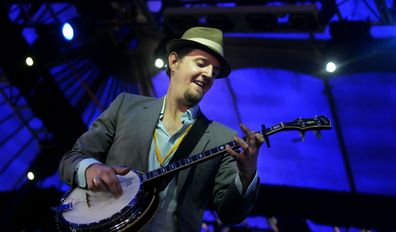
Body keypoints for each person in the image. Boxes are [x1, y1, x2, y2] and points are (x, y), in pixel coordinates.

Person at [58, 26, 264, 231]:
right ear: (174, 61)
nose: (209, 74)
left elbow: (231, 214)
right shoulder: (125, 106)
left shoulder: (223, 138)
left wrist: (247, 177)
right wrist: (91, 168)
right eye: (201, 64)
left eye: (215, 71)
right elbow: (71, 159)